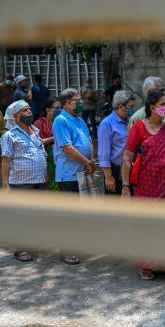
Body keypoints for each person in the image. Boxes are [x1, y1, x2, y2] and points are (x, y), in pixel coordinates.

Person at [121, 90, 165, 280]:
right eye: (163, 104)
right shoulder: (139, 128)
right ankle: (146, 264)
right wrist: (125, 186)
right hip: (146, 185)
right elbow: (127, 158)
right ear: (153, 107)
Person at [0, 100, 48, 262]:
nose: (30, 112)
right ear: (16, 116)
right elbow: (6, 160)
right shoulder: (9, 135)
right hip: (21, 182)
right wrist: (5, 184)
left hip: (39, 180)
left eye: (29, 109)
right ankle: (21, 249)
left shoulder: (35, 131)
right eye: (25, 110)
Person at [52, 88, 94, 265]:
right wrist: (87, 161)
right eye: (78, 100)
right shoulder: (61, 120)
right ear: (68, 103)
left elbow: (87, 141)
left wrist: (90, 160)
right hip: (69, 174)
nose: (81, 103)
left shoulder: (80, 120)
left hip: (82, 173)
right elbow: (67, 148)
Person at [98, 90, 136, 194]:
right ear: (121, 106)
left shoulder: (129, 121)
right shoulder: (107, 124)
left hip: (129, 168)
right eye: (130, 107)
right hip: (115, 171)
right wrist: (109, 177)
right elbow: (103, 154)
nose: (132, 110)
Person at [33, 97, 61, 190]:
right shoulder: (39, 123)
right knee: (49, 185)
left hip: (61, 160)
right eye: (56, 108)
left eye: (60, 108)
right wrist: (54, 138)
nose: (59, 110)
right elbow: (36, 143)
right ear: (48, 110)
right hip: (46, 160)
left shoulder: (62, 122)